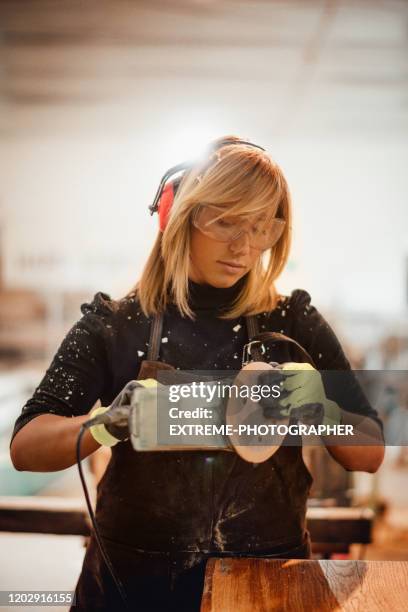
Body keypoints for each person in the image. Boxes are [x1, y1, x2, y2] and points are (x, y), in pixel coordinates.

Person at [9, 136, 384, 611]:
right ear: (180, 217)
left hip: (268, 583)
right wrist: (107, 425)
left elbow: (368, 452)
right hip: (133, 585)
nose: (243, 246)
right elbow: (26, 446)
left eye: (260, 227)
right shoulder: (118, 324)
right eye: (225, 222)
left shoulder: (292, 323)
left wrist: (321, 405)